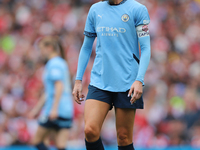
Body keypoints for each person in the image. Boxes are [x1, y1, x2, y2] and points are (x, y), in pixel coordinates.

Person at [73, 0, 151, 150]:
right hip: (99, 80)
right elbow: (86, 47)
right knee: (90, 131)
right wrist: (78, 80)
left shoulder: (138, 9)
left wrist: (139, 80)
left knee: (123, 137)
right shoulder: (95, 10)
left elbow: (146, 48)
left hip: (127, 83)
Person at [28, 36, 74, 150]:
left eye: (41, 49)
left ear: (49, 48)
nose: (40, 52)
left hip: (56, 109)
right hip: (67, 109)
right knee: (61, 145)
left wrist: (54, 108)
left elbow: (59, 86)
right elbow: (49, 91)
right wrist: (36, 109)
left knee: (37, 140)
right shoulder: (62, 62)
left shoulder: (54, 63)